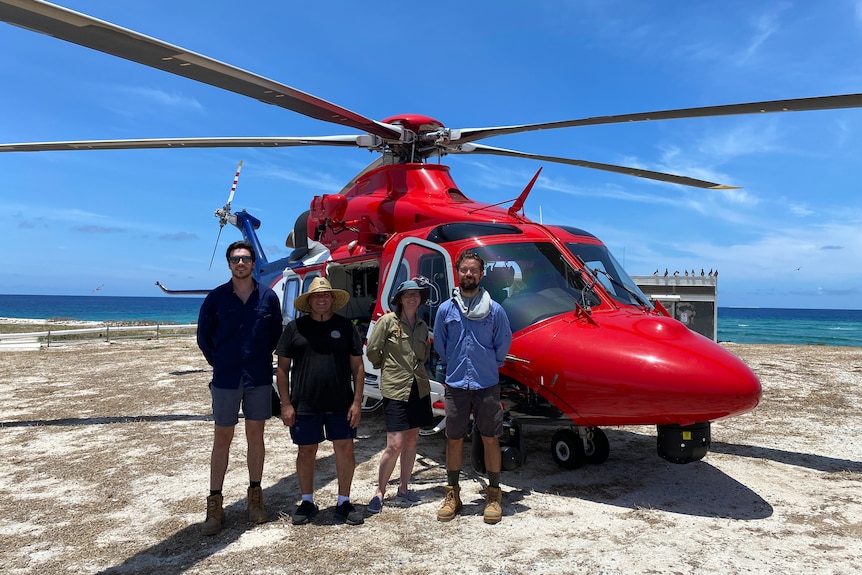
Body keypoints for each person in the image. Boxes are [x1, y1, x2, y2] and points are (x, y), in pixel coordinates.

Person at [196, 240, 284, 536]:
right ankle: (215, 504)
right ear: (229, 263)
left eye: (246, 258)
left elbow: (275, 337)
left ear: (253, 262)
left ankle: (255, 497)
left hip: (257, 378)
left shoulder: (268, 298)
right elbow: (204, 338)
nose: (241, 262)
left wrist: (255, 359)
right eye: (236, 258)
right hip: (226, 379)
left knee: (255, 437)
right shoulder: (216, 298)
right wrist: (222, 361)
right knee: (222, 439)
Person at [275, 277, 366, 525]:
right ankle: (307, 501)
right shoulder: (294, 329)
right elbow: (282, 369)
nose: (321, 299)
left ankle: (343, 502)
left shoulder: (346, 327)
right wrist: (285, 404)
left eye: (325, 295)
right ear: (309, 301)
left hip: (341, 403)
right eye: (316, 296)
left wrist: (357, 402)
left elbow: (358, 367)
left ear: (332, 299)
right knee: (306, 451)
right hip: (305, 403)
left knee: (345, 450)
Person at [434, 251, 513, 524]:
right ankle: (452, 494)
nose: (469, 274)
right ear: (458, 273)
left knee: (491, 438)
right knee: (453, 438)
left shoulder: (495, 310)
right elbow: (441, 346)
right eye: (464, 270)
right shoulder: (446, 310)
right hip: (456, 382)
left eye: (474, 271)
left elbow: (503, 343)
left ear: (481, 274)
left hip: (486, 383)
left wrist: (490, 364)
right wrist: (454, 363)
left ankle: (493, 495)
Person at [364, 279, 434, 514]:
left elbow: (424, 355)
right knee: (394, 444)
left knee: (412, 439)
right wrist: (386, 368)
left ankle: (404, 489)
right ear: (400, 300)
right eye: (407, 295)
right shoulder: (387, 322)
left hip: (418, 388)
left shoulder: (423, 326)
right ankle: (380, 491)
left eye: (416, 295)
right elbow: (373, 349)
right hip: (395, 389)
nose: (412, 298)